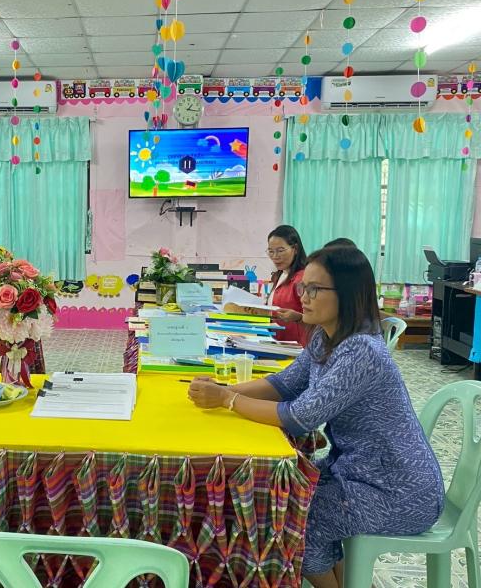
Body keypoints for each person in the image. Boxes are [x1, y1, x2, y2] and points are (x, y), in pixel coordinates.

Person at [188, 247, 444, 588]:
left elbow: (298, 417)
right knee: (284, 491)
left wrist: (228, 400)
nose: (303, 297)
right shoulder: (326, 336)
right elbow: (284, 384)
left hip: (400, 491)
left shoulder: (361, 351)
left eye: (314, 289)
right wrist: (222, 390)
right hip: (358, 473)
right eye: (302, 287)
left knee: (297, 518)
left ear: (347, 294)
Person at [266, 225, 309, 345]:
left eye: (280, 251)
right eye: (271, 251)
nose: (275, 256)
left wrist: (299, 317)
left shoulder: (303, 278)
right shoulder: (279, 275)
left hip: (297, 347)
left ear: (295, 249)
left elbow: (318, 318)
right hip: (278, 343)